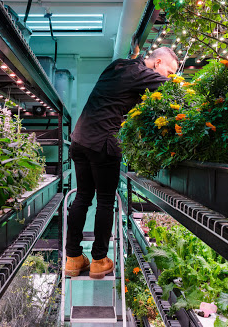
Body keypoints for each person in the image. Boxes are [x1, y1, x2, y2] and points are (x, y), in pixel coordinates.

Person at [65, 47, 179, 279]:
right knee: (105, 201)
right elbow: (174, 91)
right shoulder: (142, 74)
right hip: (103, 143)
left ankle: (73, 258)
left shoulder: (119, 65)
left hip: (80, 138)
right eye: (169, 71)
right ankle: (98, 260)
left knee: (83, 196)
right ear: (157, 63)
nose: (168, 76)